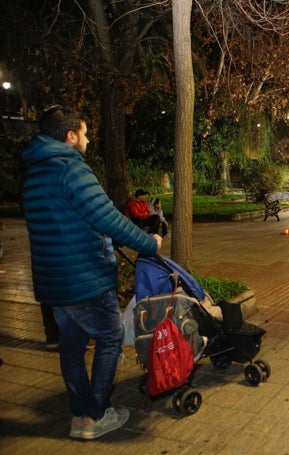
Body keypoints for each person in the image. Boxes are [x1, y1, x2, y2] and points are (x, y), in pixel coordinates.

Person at [22, 106, 162, 440]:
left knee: (71, 346)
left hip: (54, 279)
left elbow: (69, 220)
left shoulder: (34, 173)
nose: (87, 140)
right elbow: (108, 219)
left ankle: (80, 414)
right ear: (70, 136)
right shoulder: (72, 169)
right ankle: (96, 415)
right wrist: (150, 243)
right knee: (109, 338)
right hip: (85, 276)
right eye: (84, 134)